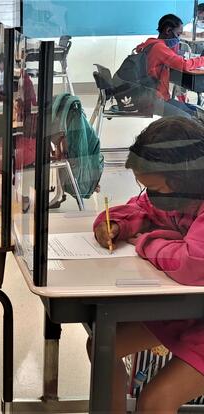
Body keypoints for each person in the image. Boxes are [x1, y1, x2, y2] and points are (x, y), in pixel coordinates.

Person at [92, 116, 204, 412]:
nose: (150, 195)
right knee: (103, 348)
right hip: (189, 310)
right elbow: (139, 208)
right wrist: (115, 224)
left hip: (197, 314)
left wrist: (145, 241)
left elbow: (192, 264)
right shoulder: (178, 196)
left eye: (155, 188)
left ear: (182, 180)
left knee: (156, 401)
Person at [135, 14, 204, 118]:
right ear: (168, 31)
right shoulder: (159, 48)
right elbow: (184, 65)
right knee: (190, 118)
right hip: (153, 99)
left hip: (150, 95)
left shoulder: (150, 43)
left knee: (195, 111)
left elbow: (172, 58)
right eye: (178, 34)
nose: (179, 38)